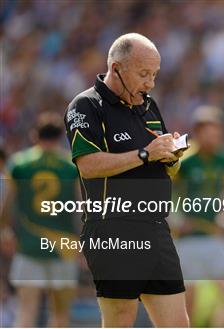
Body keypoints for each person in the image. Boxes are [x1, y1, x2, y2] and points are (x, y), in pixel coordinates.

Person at [63, 33, 189, 327]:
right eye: (144, 74)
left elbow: (164, 164)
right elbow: (89, 165)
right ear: (117, 68)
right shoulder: (85, 106)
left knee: (178, 324)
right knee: (120, 321)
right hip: (113, 229)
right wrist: (145, 153)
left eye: (155, 75)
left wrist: (171, 157)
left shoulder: (148, 104)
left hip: (156, 227)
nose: (150, 83)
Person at [0, 112, 80, 327]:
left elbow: (6, 207)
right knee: (60, 314)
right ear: (60, 136)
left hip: (29, 246)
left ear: (34, 135)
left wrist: (5, 232)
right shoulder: (71, 167)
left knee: (26, 310)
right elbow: (81, 210)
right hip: (64, 248)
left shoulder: (20, 164)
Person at [173, 105, 224, 327]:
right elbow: (161, 192)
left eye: (218, 132)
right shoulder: (183, 160)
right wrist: (174, 220)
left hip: (214, 236)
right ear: (198, 132)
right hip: (187, 240)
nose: (216, 137)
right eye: (210, 132)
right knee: (188, 309)